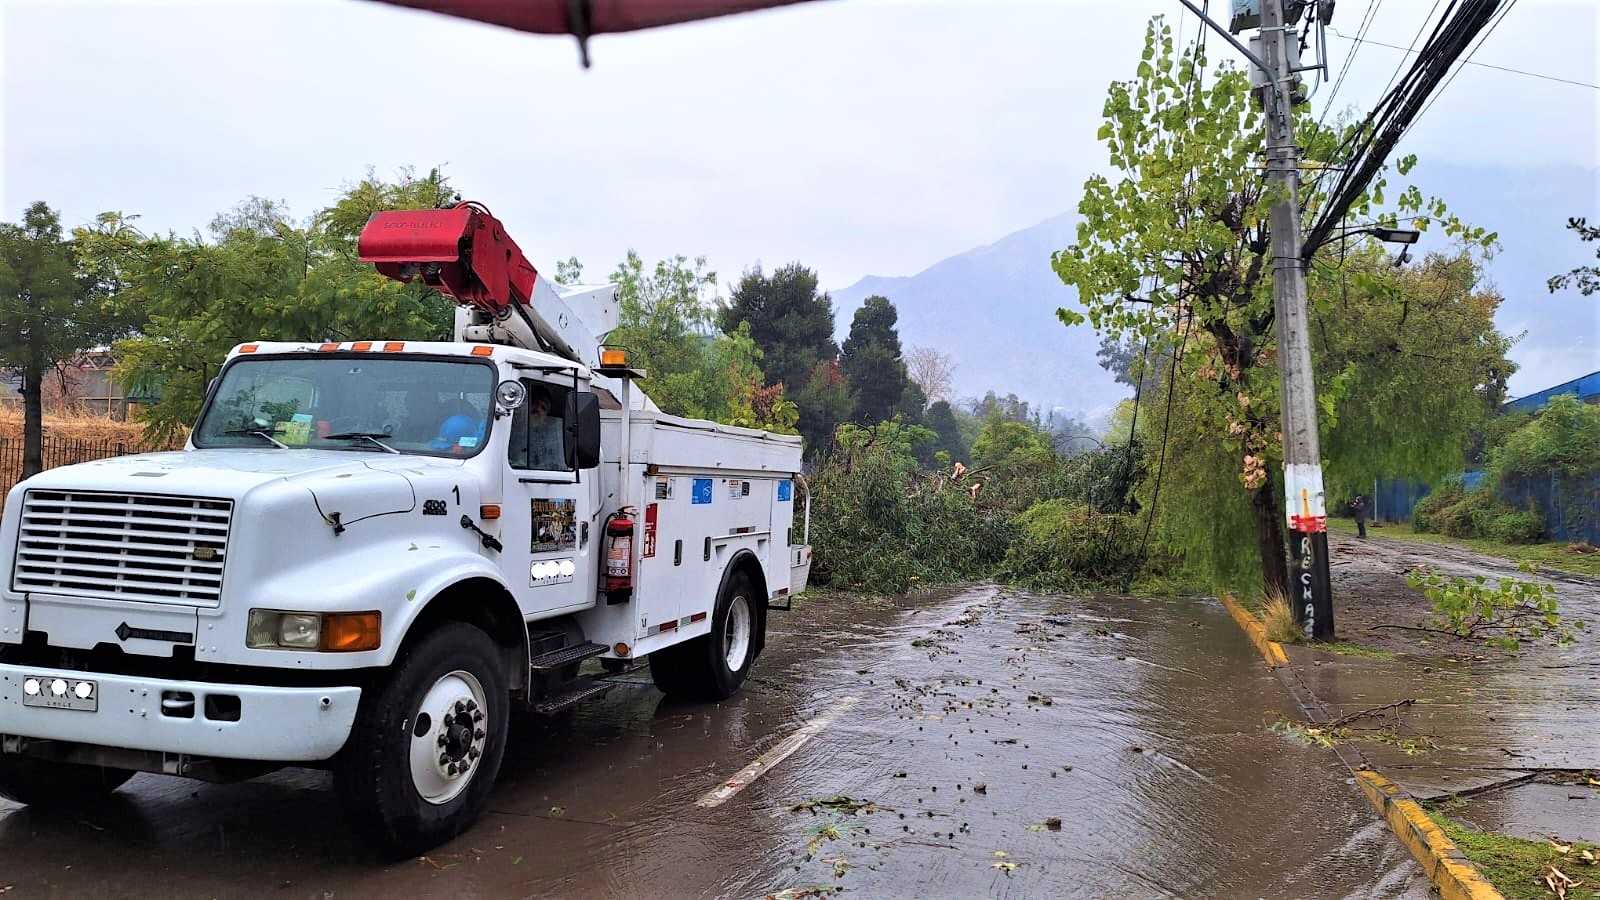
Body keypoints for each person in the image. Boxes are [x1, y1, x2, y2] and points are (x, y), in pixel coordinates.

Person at [524, 386, 564, 469]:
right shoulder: (511, 431)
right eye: (535, 403)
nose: (538, 409)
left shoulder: (553, 440)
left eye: (543, 407)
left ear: (546, 417)